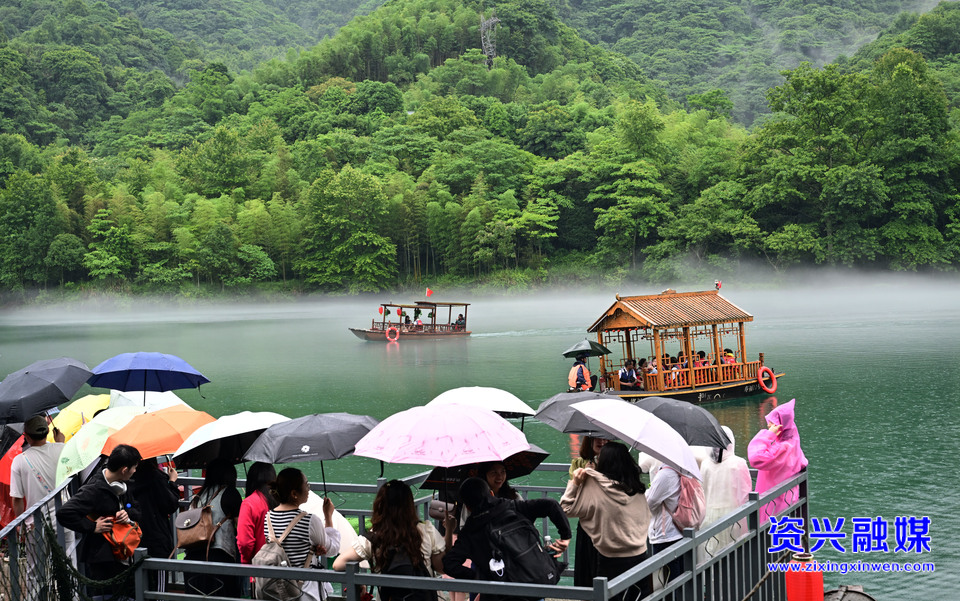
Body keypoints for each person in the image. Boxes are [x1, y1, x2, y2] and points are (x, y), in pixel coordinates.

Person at [443, 477, 571, 601]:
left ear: (467, 507)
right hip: (536, 581)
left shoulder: (470, 532)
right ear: (491, 493)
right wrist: (565, 537)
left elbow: (449, 563)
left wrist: (479, 577)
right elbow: (551, 504)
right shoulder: (513, 506)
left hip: (502, 593)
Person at [561, 442, 652, 601]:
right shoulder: (636, 487)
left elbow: (565, 509)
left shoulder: (595, 485)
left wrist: (575, 483)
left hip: (610, 558)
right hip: (640, 555)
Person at [57, 444, 142, 597]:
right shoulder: (93, 489)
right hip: (102, 559)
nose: (135, 471)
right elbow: (64, 513)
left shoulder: (124, 486)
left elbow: (137, 509)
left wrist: (127, 513)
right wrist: (92, 526)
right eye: (134, 468)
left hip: (122, 554)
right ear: (124, 470)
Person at [333, 480, 447, 587]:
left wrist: (359, 580)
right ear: (409, 505)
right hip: (423, 596)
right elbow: (442, 568)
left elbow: (338, 564)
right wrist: (450, 529)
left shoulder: (374, 537)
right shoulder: (426, 530)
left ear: (380, 506)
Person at [11, 415, 75, 596]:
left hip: (35, 524)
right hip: (64, 518)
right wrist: (60, 442)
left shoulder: (19, 461)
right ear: (48, 432)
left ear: (26, 436)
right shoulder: (62, 449)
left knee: (35, 573)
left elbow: (16, 499)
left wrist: (19, 526)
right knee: (69, 565)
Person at [267, 468, 341, 601]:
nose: (308, 489)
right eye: (306, 485)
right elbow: (332, 549)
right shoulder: (309, 520)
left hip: (278, 588)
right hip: (304, 590)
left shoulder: (267, 518)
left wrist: (312, 549)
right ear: (294, 493)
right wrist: (328, 517)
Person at [183, 458, 242, 597]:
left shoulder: (198, 496)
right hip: (219, 557)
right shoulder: (230, 493)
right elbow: (241, 527)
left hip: (193, 558)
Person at [748, 399, 807, 522]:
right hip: (787, 498)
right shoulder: (793, 442)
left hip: (774, 504)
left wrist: (768, 435)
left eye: (772, 423)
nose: (769, 425)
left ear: (781, 426)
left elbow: (755, 458)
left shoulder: (783, 448)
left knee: (770, 536)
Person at [699, 426, 752, 560]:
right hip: (732, 515)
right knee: (733, 556)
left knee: (710, 556)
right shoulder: (738, 463)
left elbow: (701, 491)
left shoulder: (705, 464)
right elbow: (745, 496)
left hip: (708, 515)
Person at [129, 457, 180, 592]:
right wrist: (172, 482)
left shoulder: (128, 478)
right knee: (160, 584)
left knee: (140, 583)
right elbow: (170, 504)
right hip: (157, 537)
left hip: (134, 537)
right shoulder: (156, 478)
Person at [646, 461, 684, 585]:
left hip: (665, 534)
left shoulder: (666, 474)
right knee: (678, 578)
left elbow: (649, 503)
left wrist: (647, 492)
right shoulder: (680, 469)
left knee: (666, 582)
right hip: (678, 529)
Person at [238, 462, 278, 565]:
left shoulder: (249, 503)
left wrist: (246, 562)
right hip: (280, 566)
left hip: (256, 570)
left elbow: (245, 543)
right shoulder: (281, 500)